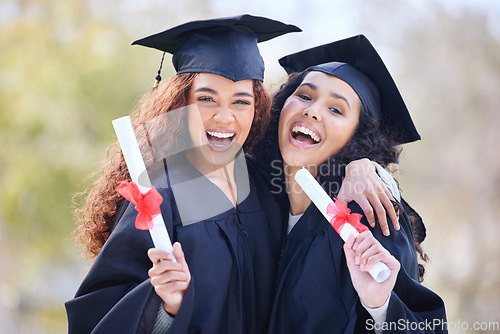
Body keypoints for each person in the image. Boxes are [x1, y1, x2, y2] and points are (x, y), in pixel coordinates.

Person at [65, 15, 401, 333]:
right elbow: (99, 313)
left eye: (240, 101)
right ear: (180, 102)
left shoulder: (267, 184)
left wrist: (365, 166)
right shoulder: (161, 195)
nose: (225, 118)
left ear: (258, 107)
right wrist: (166, 309)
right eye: (207, 98)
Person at [253, 35, 448, 333]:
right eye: (305, 96)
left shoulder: (367, 214)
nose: (313, 110)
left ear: (357, 138)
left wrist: (381, 307)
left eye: (336, 109)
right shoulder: (260, 202)